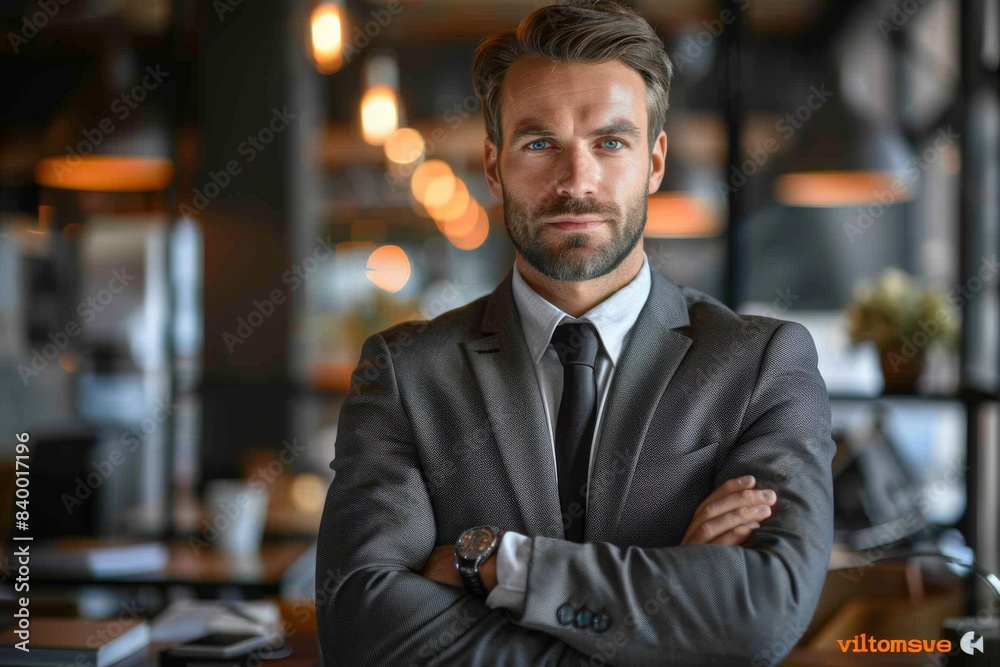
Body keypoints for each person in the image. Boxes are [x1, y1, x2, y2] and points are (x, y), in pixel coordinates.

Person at [316, 1, 834, 665]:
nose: (576, 180)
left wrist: (500, 566)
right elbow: (361, 627)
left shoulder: (762, 365)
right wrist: (668, 603)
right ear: (495, 164)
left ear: (654, 161)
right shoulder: (404, 373)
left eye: (610, 142)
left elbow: (760, 614)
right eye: (539, 143)